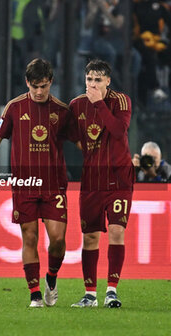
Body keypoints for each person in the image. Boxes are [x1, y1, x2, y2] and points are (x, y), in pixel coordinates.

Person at [0, 58, 77, 307]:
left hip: (54, 185)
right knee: (29, 237)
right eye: (34, 86)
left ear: (51, 82)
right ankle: (35, 294)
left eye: (43, 86)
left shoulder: (62, 111)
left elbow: (83, 143)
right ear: (27, 83)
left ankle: (51, 278)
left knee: (58, 240)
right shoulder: (14, 108)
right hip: (24, 184)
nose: (39, 92)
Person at [69, 59, 134, 308]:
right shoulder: (76, 106)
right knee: (90, 237)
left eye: (98, 80)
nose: (93, 84)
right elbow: (70, 135)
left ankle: (112, 291)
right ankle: (90, 295)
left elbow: (119, 131)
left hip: (119, 178)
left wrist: (98, 105)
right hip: (92, 180)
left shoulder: (122, 101)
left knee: (117, 231)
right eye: (89, 79)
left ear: (108, 81)